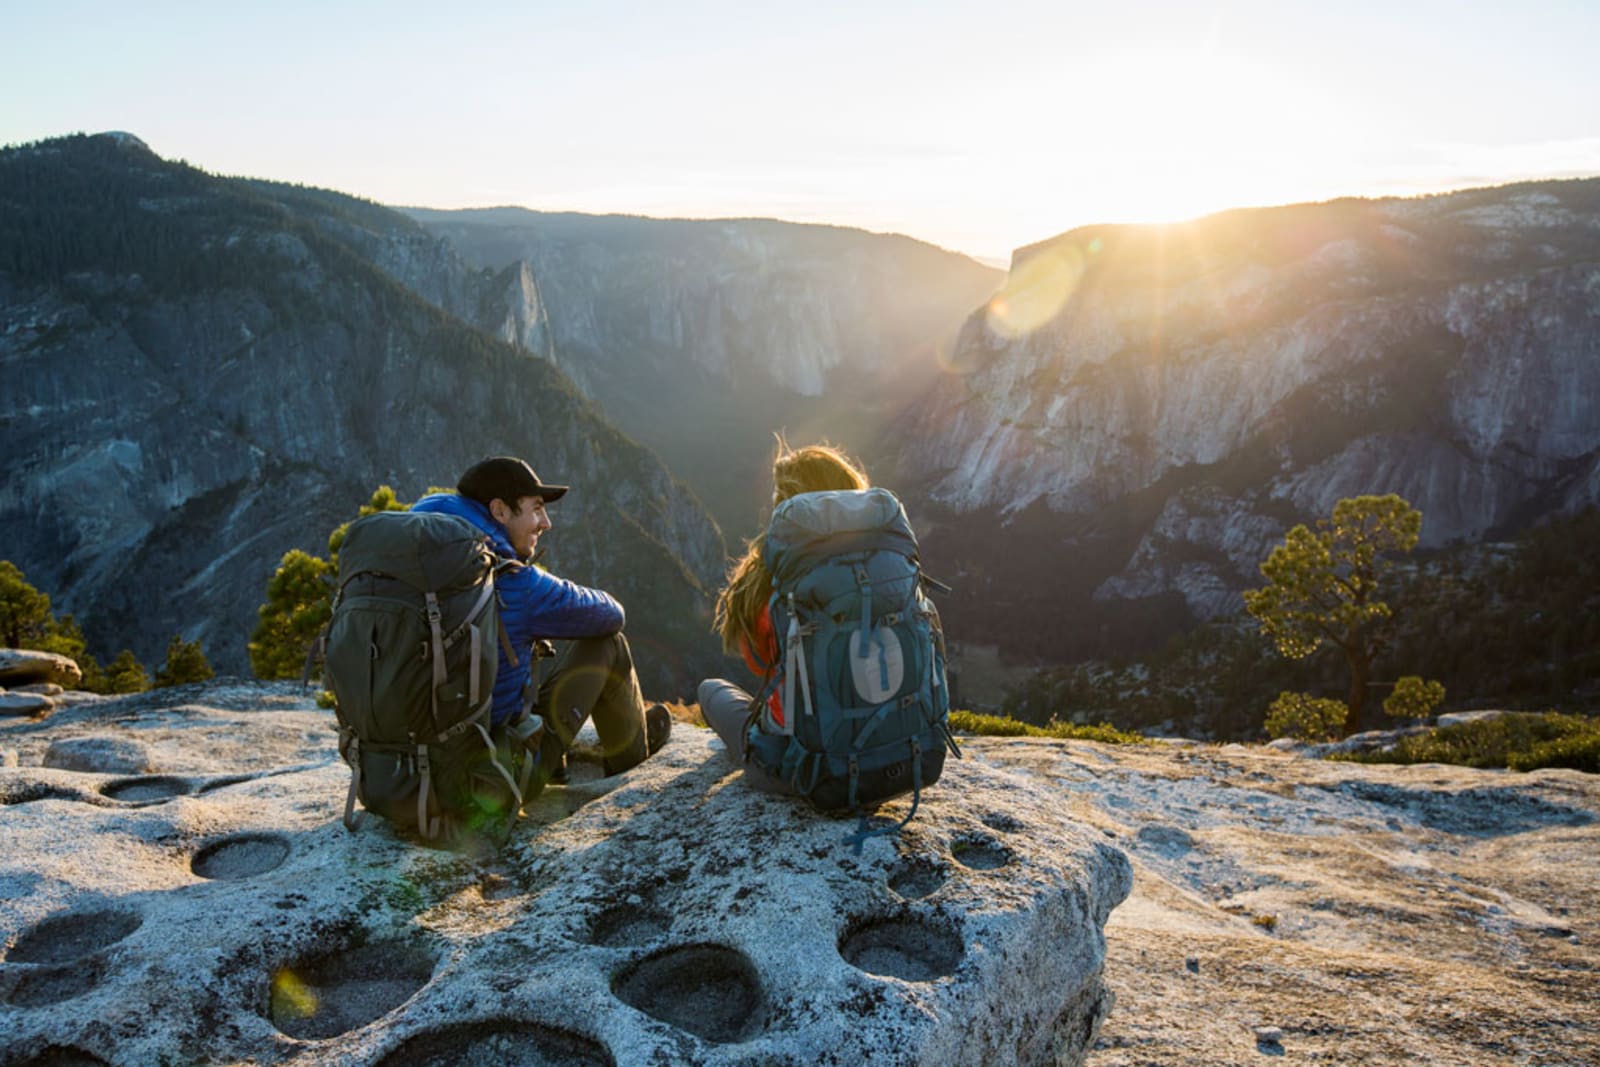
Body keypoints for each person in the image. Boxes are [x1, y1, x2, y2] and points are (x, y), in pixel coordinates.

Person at [411, 456, 671, 785]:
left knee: (515, 651)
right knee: (609, 644)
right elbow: (611, 614)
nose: (546, 522)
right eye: (536, 508)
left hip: (405, 772)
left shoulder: (413, 565)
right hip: (491, 778)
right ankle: (632, 765)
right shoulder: (511, 581)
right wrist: (543, 586)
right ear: (499, 511)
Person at [698, 441, 871, 794]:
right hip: (893, 755)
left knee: (711, 690)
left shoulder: (772, 574)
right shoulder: (883, 561)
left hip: (803, 770)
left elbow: (759, 663)